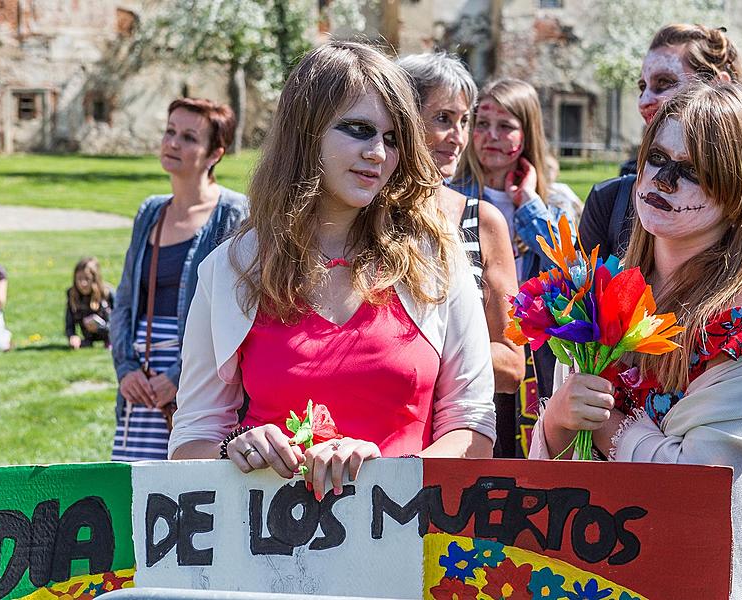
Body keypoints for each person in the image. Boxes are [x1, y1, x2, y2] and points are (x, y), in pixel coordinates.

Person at [530, 82, 742, 598]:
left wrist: (609, 429)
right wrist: (556, 421)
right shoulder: (599, 292)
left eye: (692, 171)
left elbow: (696, 480)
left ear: (741, 194)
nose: (662, 180)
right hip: (588, 573)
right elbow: (548, 474)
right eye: (657, 157)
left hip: (705, 578)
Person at [170, 41, 496, 500]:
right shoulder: (231, 268)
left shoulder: (436, 259)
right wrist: (233, 450)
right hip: (266, 551)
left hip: (408, 546)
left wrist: (388, 479)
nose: (378, 154)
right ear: (305, 133)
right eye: (359, 130)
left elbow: (473, 427)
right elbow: (190, 441)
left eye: (392, 138)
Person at [579, 23, 742, 262]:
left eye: (664, 83)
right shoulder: (609, 200)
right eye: (643, 87)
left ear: (717, 88)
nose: (644, 101)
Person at [397, 51, 524, 457]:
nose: (457, 136)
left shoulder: (482, 222)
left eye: (463, 121)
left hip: (462, 446)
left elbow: (511, 365)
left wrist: (413, 353)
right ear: (401, 121)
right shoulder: (359, 219)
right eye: (442, 119)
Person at [110, 97, 249, 462]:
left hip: (197, 378)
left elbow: (237, 311)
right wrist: (126, 370)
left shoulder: (234, 213)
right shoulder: (151, 211)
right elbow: (125, 299)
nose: (173, 143)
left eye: (189, 137)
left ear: (215, 153)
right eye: (170, 132)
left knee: (181, 493)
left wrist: (177, 374)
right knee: (131, 488)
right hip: (142, 381)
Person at [450, 78, 565, 447]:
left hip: (536, 357)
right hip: (478, 346)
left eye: (506, 126)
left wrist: (529, 205)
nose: (491, 136)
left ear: (527, 132)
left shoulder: (553, 202)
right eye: (481, 124)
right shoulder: (453, 196)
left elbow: (569, 274)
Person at [66, 257, 115, 349]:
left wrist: (101, 327)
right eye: (79, 279)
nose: (83, 283)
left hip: (110, 334)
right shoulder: (72, 294)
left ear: (95, 279)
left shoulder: (107, 293)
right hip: (88, 338)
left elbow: (120, 323)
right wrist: (72, 336)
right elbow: (69, 323)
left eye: (87, 279)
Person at [545, 154, 584, 226]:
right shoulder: (533, 189)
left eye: (549, 168)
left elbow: (578, 204)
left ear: (557, 173)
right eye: (543, 167)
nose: (545, 171)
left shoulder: (561, 188)